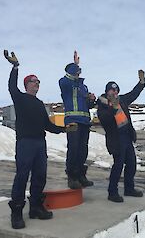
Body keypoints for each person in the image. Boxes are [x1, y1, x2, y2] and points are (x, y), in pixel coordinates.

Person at [4, 50, 64, 229]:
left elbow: (48, 125)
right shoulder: (20, 98)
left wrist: (64, 129)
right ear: (27, 84)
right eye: (34, 81)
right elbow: (11, 87)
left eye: (38, 81)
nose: (37, 83)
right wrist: (15, 67)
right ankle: (16, 212)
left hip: (40, 143)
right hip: (25, 143)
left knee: (40, 176)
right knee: (22, 176)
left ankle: (36, 207)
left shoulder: (39, 104)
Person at [97, 69, 145, 203]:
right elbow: (105, 120)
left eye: (116, 90)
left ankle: (129, 189)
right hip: (115, 139)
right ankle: (112, 192)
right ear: (107, 92)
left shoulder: (122, 100)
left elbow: (133, 94)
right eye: (112, 90)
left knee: (131, 164)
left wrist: (141, 83)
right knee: (118, 165)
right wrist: (113, 107)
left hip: (126, 138)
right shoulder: (102, 105)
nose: (114, 92)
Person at [59, 51, 96, 189]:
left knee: (82, 150)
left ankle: (81, 175)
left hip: (85, 122)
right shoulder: (65, 83)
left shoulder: (83, 87)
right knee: (73, 149)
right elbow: (66, 80)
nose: (79, 72)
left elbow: (87, 105)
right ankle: (72, 177)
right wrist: (75, 64)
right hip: (72, 120)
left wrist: (91, 100)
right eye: (76, 71)